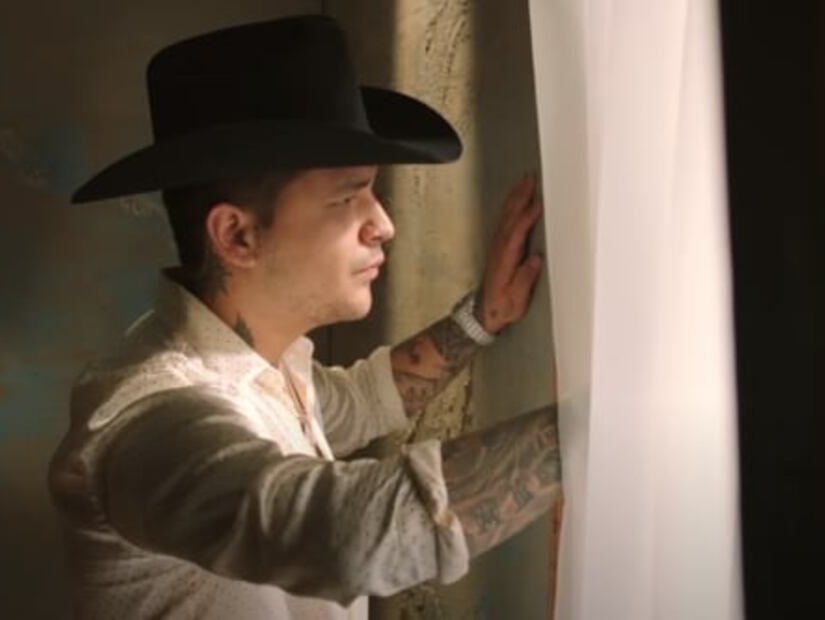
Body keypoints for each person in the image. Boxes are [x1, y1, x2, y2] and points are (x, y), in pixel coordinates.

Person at [48, 14, 561, 620]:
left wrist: (482, 317)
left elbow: (360, 400)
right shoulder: (149, 426)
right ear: (236, 236)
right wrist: (602, 429)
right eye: (347, 198)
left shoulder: (268, 361)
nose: (384, 224)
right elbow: (348, 535)